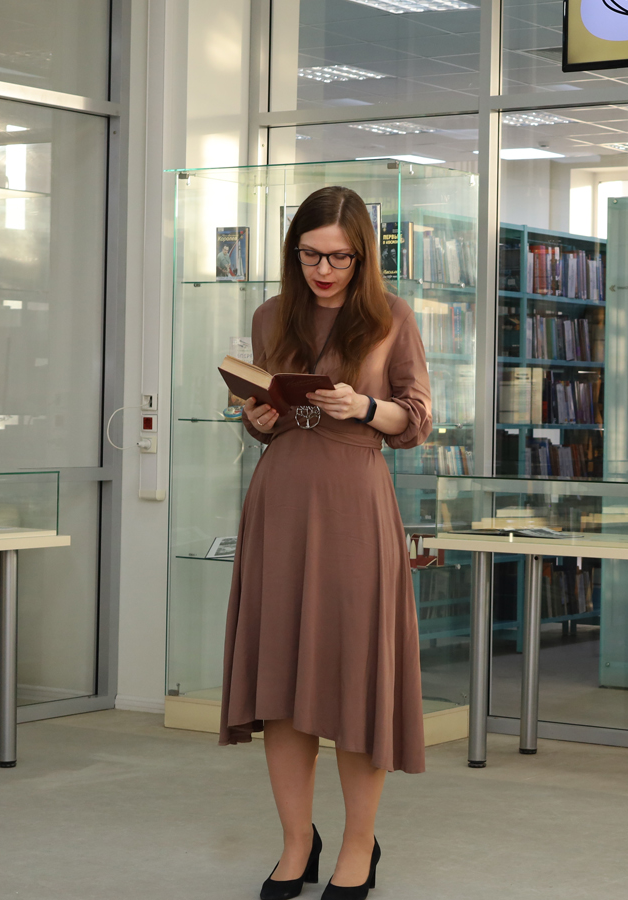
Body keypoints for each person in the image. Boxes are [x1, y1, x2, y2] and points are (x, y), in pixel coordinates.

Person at [220, 185, 432, 900]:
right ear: (294, 252)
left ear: (362, 256)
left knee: (353, 679)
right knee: (281, 681)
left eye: (340, 257)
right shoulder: (270, 316)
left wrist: (364, 406)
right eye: (311, 255)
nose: (324, 270)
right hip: (281, 500)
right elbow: (264, 411)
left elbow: (417, 417)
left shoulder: (391, 317)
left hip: (354, 505)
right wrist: (256, 417)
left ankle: (359, 846)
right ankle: (294, 843)